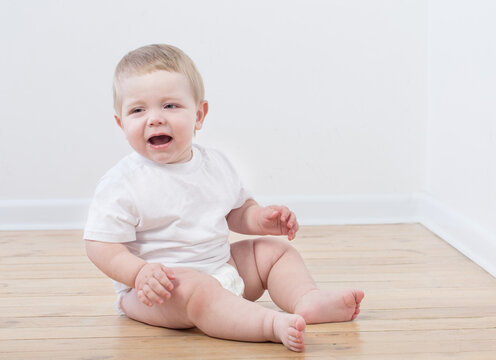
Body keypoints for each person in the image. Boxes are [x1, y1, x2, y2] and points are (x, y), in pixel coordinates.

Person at [84, 44, 364, 352]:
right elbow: (101, 245)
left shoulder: (215, 164)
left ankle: (304, 298)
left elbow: (236, 210)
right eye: (138, 110)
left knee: (273, 253)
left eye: (170, 106)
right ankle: (267, 324)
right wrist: (139, 273)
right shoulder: (122, 183)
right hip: (159, 293)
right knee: (196, 289)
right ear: (121, 123)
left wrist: (260, 219)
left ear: (199, 115)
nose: (154, 119)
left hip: (223, 268)